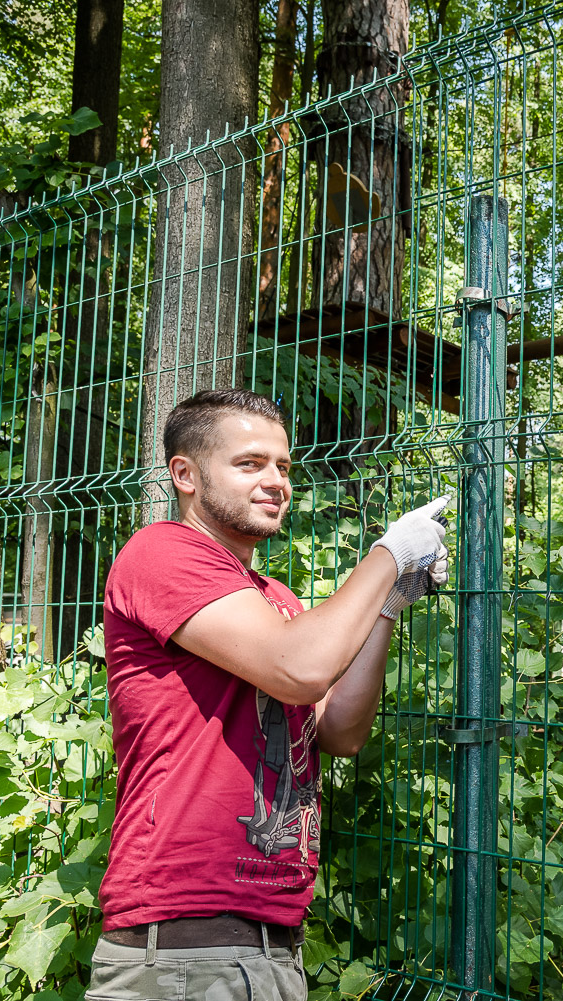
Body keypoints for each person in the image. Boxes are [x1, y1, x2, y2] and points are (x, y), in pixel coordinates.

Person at [87, 389, 451, 1001]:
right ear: (186, 475)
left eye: (283, 466)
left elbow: (340, 731)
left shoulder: (274, 599)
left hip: (270, 946)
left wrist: (387, 607)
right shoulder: (161, 553)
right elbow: (302, 668)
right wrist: (388, 555)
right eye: (250, 464)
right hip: (184, 946)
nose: (276, 481)